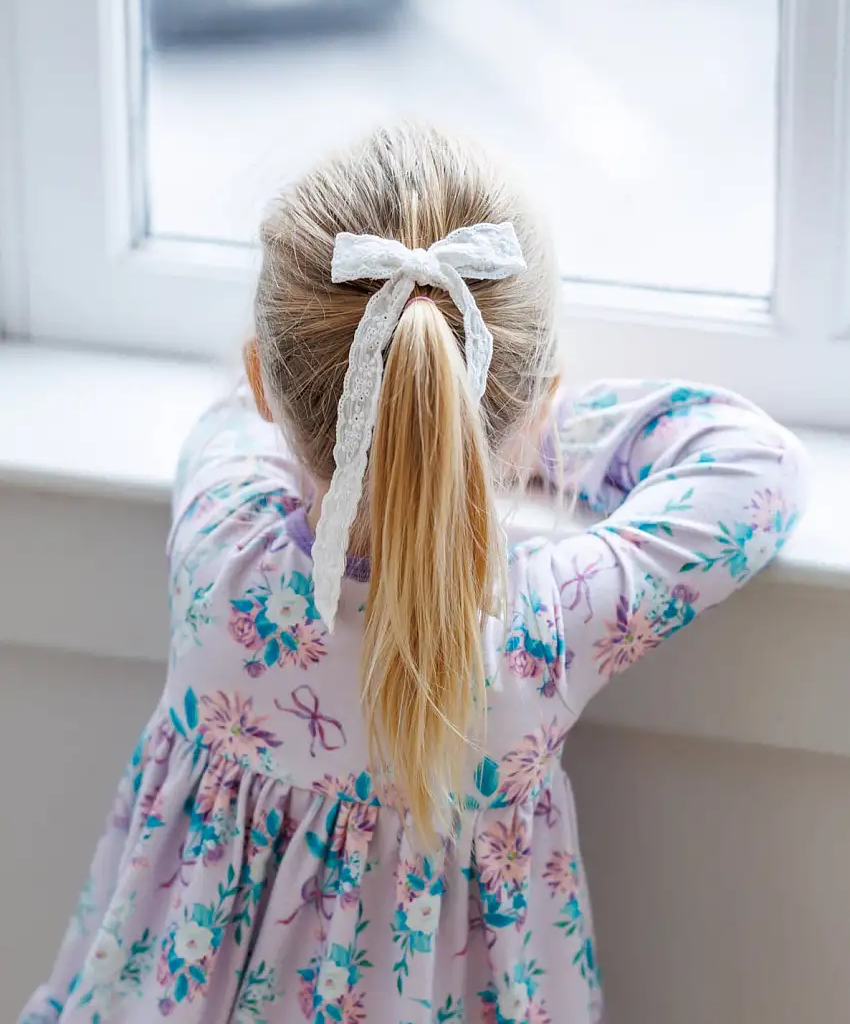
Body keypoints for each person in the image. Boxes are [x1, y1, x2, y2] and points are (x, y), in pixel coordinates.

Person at [21, 124, 807, 1024]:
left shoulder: (222, 559)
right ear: (539, 397)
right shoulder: (539, 625)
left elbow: (231, 424)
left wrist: (404, 413)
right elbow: (755, 466)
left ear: (268, 381)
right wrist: (487, 438)